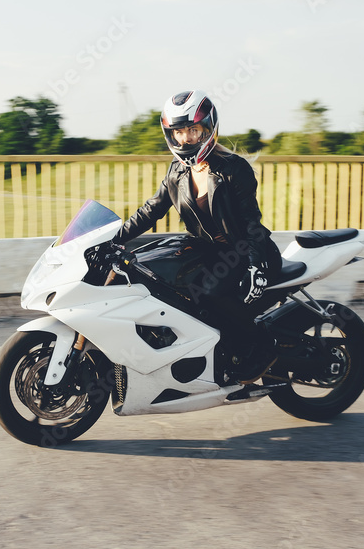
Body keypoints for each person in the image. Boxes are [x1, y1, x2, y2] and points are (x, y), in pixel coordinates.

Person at [111, 90, 281, 383]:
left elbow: (252, 222)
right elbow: (152, 210)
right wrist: (113, 238)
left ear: (208, 129)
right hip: (210, 250)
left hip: (246, 250)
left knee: (209, 291)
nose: (186, 138)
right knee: (161, 275)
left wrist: (256, 266)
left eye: (193, 130)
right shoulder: (177, 171)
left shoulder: (233, 169)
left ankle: (261, 346)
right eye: (179, 131)